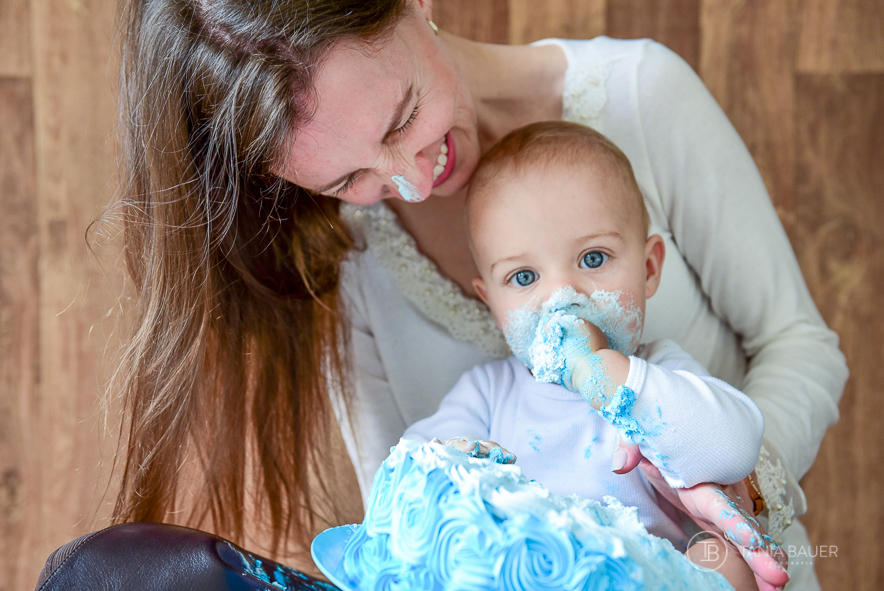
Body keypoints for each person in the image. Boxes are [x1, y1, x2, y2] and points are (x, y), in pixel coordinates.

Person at [102, 0, 847, 589]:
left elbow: (799, 345)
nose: (413, 183)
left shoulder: (641, 98)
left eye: (402, 118)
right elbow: (406, 507)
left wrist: (729, 489)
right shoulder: (348, 248)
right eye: (346, 179)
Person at [403, 120, 768, 590]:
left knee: (723, 560)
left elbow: (734, 448)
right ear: (491, 303)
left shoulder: (659, 375)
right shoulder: (488, 396)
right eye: (524, 277)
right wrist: (454, 463)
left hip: (644, 577)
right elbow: (404, 482)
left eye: (593, 259)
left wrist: (613, 377)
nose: (562, 294)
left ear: (650, 268)